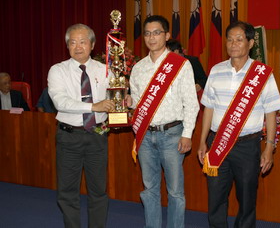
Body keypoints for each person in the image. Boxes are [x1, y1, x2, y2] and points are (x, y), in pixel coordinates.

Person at [198, 21, 280, 228]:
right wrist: (202, 142)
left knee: (246, 199)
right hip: (217, 142)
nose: (233, 43)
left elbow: (271, 112)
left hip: (247, 146)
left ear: (251, 43)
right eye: (229, 39)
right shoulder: (216, 70)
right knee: (216, 197)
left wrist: (270, 147)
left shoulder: (262, 73)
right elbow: (208, 108)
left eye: (239, 39)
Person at [128, 15, 199, 228]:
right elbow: (139, 103)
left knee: (175, 191)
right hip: (145, 135)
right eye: (147, 33)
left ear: (167, 35)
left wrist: (187, 133)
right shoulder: (138, 67)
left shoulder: (180, 64)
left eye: (157, 32)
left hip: (172, 134)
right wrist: (129, 102)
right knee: (149, 189)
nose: (151, 37)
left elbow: (191, 103)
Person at [47, 23, 115, 228]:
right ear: (67, 46)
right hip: (69, 137)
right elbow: (61, 103)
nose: (78, 46)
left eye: (83, 42)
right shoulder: (57, 70)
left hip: (97, 135)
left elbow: (114, 97)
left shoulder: (106, 70)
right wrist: (94, 106)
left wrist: (123, 100)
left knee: (98, 191)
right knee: (67, 192)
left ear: (92, 44)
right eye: (73, 42)